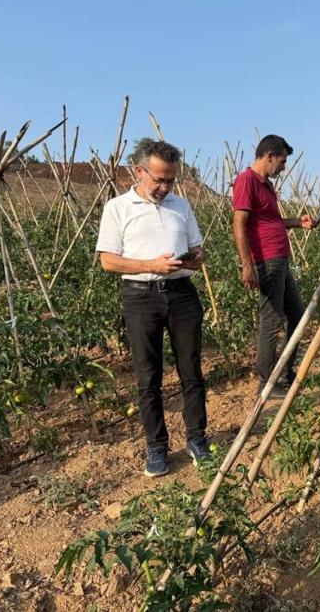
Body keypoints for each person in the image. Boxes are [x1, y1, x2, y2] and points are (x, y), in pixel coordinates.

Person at [96, 139, 210, 477]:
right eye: (158, 179)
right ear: (139, 171)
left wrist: (195, 258)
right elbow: (108, 261)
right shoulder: (118, 207)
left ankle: (197, 439)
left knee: (192, 371)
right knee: (149, 376)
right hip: (141, 296)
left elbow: (199, 250)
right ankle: (157, 446)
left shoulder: (181, 206)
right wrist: (151, 265)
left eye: (170, 180)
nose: (164, 186)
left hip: (182, 293)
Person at [232, 135, 317, 398]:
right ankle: (267, 383)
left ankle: (285, 371)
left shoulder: (266, 185)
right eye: (281, 161)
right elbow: (239, 224)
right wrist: (247, 265)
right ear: (269, 156)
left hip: (279, 258)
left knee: (298, 315)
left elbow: (271, 221)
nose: (282, 167)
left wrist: (297, 222)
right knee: (271, 321)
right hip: (267, 261)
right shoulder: (247, 181)